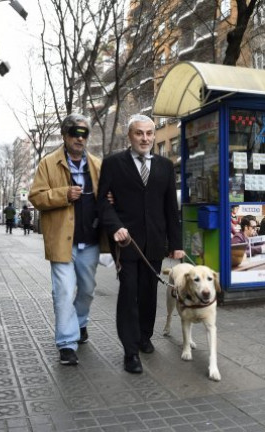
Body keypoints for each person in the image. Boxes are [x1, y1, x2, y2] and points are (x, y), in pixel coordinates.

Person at [97, 114, 184, 375]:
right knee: (129, 294)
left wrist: (176, 243)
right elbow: (103, 202)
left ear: (154, 136)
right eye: (139, 133)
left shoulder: (165, 166)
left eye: (149, 133)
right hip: (127, 242)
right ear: (130, 136)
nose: (145, 138)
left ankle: (145, 336)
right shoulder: (113, 164)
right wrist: (115, 227)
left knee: (148, 294)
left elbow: (171, 208)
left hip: (155, 242)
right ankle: (130, 351)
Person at [29, 113, 105, 366]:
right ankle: (66, 343)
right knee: (62, 292)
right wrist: (63, 194)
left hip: (90, 242)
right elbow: (36, 197)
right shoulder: (48, 164)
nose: (79, 139)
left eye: (84, 134)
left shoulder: (97, 165)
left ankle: (81, 323)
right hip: (62, 242)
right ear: (64, 135)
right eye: (74, 133)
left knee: (86, 290)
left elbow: (107, 197)